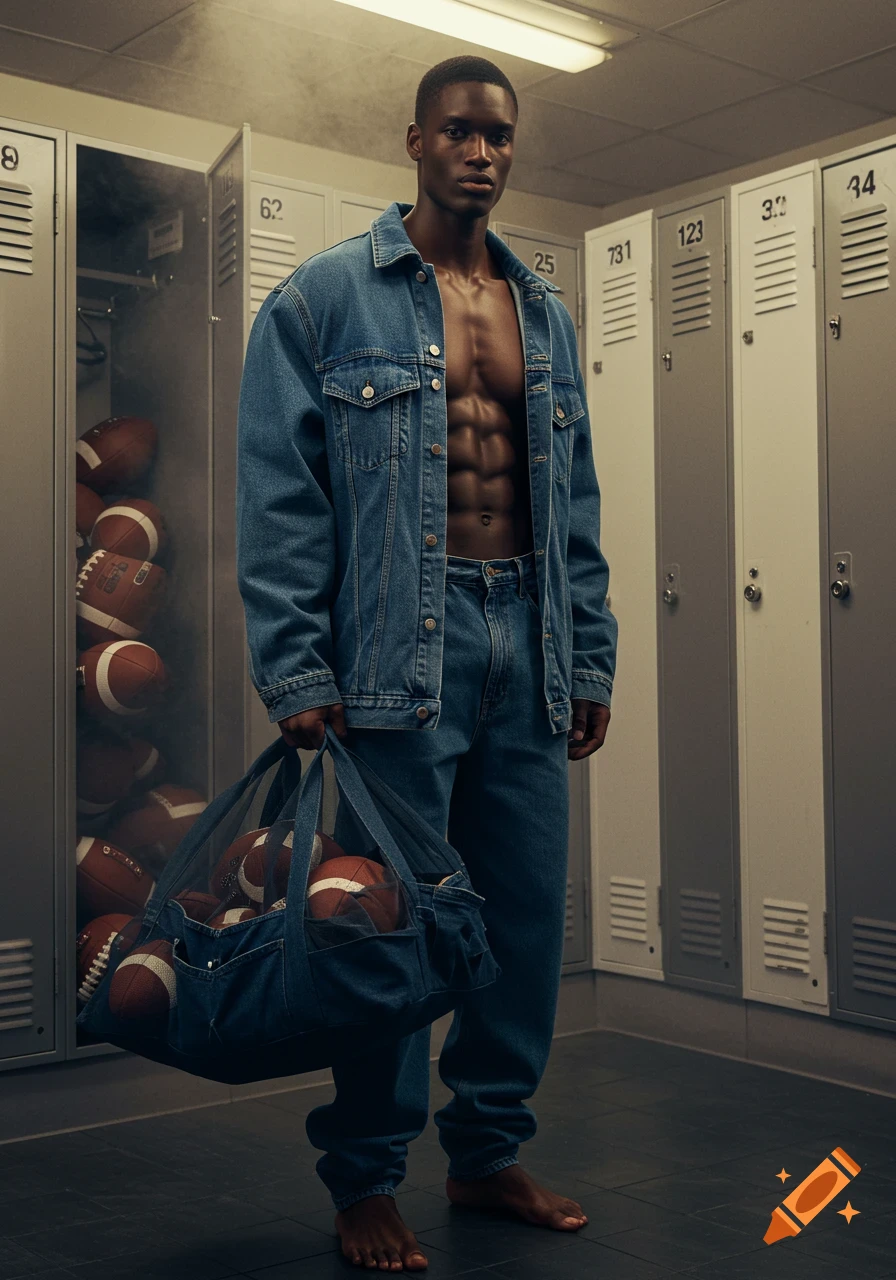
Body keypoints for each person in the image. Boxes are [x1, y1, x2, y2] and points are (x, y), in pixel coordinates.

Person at [236, 54, 618, 1272]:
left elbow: (574, 511)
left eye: (499, 137)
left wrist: (591, 654)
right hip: (404, 648)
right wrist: (297, 670)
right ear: (412, 140)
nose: (481, 153)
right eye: (458, 131)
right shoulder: (321, 301)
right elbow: (279, 503)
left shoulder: (542, 311)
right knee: (389, 928)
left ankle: (488, 1146)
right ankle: (365, 1175)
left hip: (528, 638)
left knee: (517, 921)